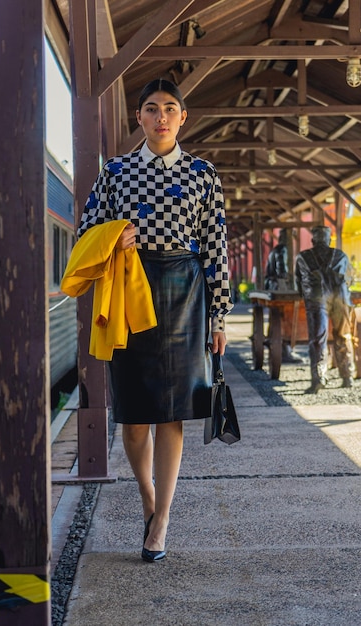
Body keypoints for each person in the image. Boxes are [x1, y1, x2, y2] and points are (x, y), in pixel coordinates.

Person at [77, 78, 233, 562]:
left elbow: (215, 248)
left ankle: (161, 518)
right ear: (139, 118)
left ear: (183, 117)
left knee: (173, 410)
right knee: (133, 413)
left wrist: (219, 316)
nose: (161, 116)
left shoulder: (204, 174)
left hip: (185, 292)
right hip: (130, 290)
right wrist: (111, 238)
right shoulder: (116, 172)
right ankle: (147, 497)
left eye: (170, 108)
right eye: (151, 108)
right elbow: (85, 228)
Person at [295, 226, 354, 394]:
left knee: (318, 339)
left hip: (316, 297)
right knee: (343, 335)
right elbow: (349, 279)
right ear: (329, 240)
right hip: (340, 297)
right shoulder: (341, 256)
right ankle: (347, 376)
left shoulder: (303, 257)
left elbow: (298, 284)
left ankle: (319, 378)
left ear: (313, 241)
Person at [264, 229, 302, 363]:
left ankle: (280, 347)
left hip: (271, 285)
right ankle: (284, 349)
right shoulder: (283, 250)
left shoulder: (275, 249)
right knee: (286, 316)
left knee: (277, 317)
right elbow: (282, 270)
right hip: (278, 286)